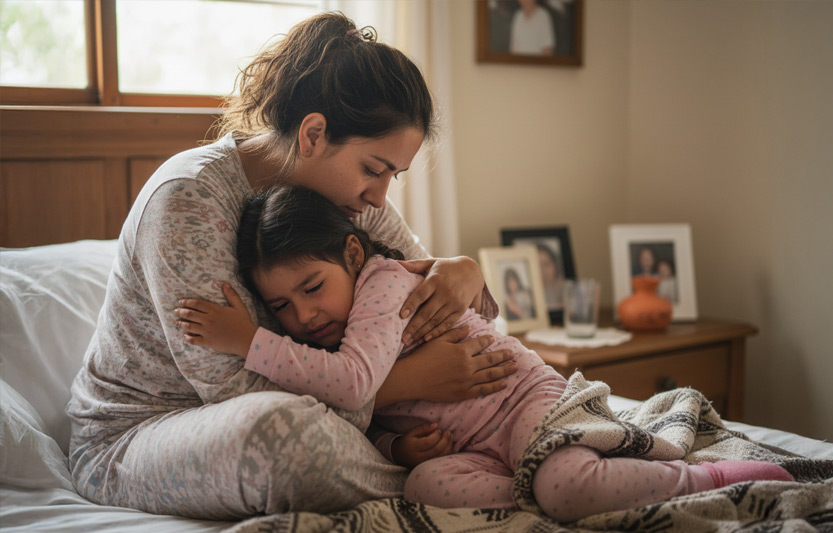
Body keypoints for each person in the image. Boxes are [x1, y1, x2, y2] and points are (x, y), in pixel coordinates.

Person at [66, 13, 518, 520]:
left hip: (325, 415)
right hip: (150, 432)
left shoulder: (351, 201)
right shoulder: (188, 201)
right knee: (280, 438)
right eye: (373, 169)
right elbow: (233, 389)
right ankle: (454, 484)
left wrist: (461, 272)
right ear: (313, 134)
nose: (378, 195)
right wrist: (409, 381)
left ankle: (466, 473)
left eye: (393, 175)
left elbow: (421, 311)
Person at [175, 185, 795, 523]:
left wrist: (249, 340)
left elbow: (355, 385)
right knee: (425, 485)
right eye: (279, 307)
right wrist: (396, 448)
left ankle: (702, 478)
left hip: (525, 399)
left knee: (562, 487)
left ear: (354, 257)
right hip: (476, 446)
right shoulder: (322, 338)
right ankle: (542, 488)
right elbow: (370, 420)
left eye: (312, 288)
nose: (303, 316)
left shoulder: (384, 283)